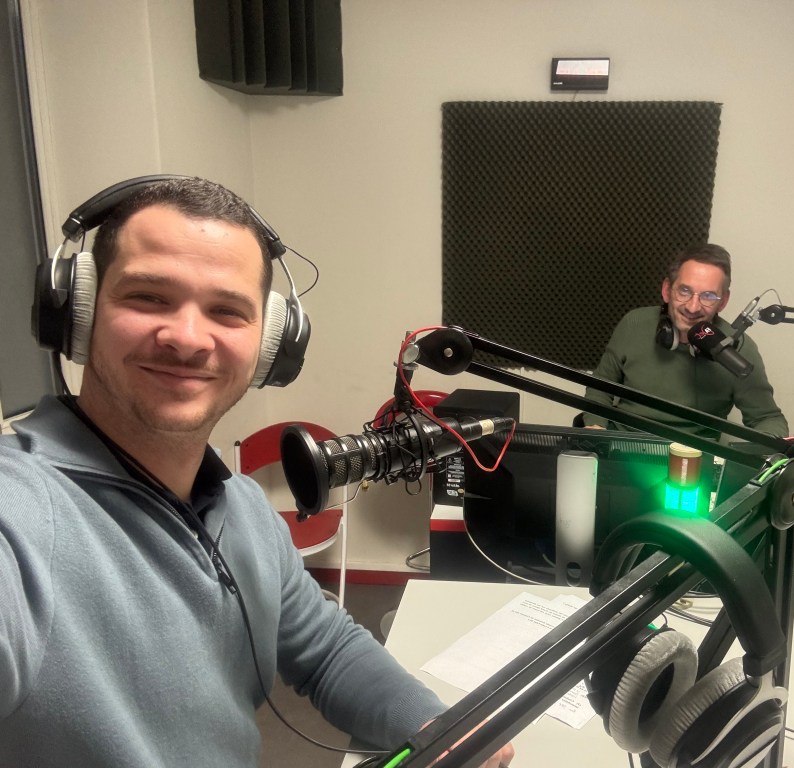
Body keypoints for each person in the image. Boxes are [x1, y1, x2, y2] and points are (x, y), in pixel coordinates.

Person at [0, 177, 514, 768]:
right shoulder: (22, 513)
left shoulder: (243, 507)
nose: (187, 339)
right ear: (79, 311)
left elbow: (328, 651)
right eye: (147, 297)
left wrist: (435, 726)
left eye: (226, 311)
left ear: (272, 346)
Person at [580, 243, 788, 439]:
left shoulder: (736, 347)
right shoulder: (634, 324)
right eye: (685, 291)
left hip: (695, 458)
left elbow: (768, 419)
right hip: (623, 445)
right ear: (666, 290)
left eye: (708, 296)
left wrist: (758, 450)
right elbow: (599, 386)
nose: (693, 307)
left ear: (723, 301)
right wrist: (596, 426)